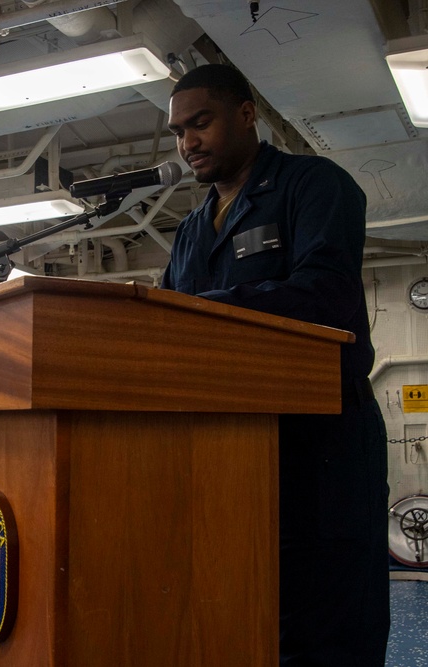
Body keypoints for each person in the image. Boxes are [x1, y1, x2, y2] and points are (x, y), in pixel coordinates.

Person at [162, 63, 390, 665]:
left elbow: (325, 299)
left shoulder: (313, 185)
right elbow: (161, 330)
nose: (188, 144)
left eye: (200, 123)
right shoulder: (190, 230)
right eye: (178, 131)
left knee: (327, 629)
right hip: (227, 454)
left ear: (246, 113)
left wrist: (203, 312)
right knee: (247, 624)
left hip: (319, 453)